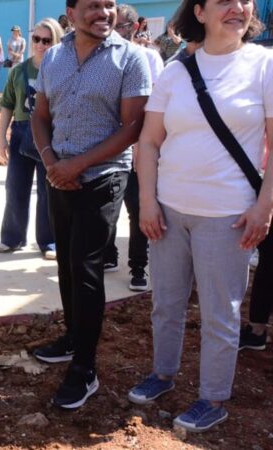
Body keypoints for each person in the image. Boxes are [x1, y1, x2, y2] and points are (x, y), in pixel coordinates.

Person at [127, 0, 272, 432]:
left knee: (219, 313)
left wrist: (264, 208)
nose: (238, 7)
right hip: (169, 211)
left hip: (228, 216)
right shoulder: (176, 72)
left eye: (244, 0)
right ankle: (162, 374)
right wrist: (148, 201)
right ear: (200, 13)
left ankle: (213, 398)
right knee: (166, 303)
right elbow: (149, 141)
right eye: (224, 0)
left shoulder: (264, 66)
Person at [30, 0, 151, 409]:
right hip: (58, 174)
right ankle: (71, 338)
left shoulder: (130, 58)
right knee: (66, 263)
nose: (104, 12)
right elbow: (39, 115)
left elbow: (132, 127)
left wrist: (77, 165)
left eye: (109, 4)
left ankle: (85, 369)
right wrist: (52, 161)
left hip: (103, 177)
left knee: (85, 269)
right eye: (93, 5)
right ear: (70, 12)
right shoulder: (54, 57)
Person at [103, 4, 164, 291]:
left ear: (135, 27)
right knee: (108, 208)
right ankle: (108, 254)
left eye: (122, 27)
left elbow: (155, 105)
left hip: (140, 145)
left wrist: (143, 146)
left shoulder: (149, 58)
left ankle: (138, 266)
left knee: (138, 209)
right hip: (109, 146)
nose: (116, 32)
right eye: (113, 26)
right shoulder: (103, 56)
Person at [0, 19, 63, 260]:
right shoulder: (18, 71)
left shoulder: (61, 71)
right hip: (21, 133)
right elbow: (7, 105)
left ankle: (48, 242)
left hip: (50, 135)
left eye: (47, 40)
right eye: (36, 39)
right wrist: (1, 138)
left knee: (48, 191)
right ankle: (12, 238)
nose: (40, 44)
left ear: (55, 41)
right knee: (15, 187)